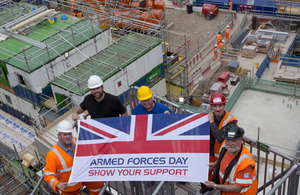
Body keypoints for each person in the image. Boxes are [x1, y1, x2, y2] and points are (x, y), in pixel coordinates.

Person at [44, 120, 104, 194]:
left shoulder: (75, 141)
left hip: (83, 177)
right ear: (59, 136)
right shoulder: (53, 155)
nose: (68, 137)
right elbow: (48, 174)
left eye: (69, 134)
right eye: (65, 135)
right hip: (69, 187)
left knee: (98, 184)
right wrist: (57, 184)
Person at [202, 124, 257, 194]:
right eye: (228, 140)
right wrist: (215, 164)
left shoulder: (245, 163)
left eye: (234, 140)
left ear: (241, 139)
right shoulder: (224, 146)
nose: (230, 144)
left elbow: (237, 188)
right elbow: (222, 157)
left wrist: (215, 186)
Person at [208, 92, 237, 180]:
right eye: (215, 106)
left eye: (220, 106)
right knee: (206, 171)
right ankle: (206, 187)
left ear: (225, 106)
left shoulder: (231, 121)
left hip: (222, 154)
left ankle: (217, 187)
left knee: (219, 174)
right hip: (209, 151)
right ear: (211, 107)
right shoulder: (208, 117)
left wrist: (212, 122)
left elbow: (220, 138)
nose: (217, 109)